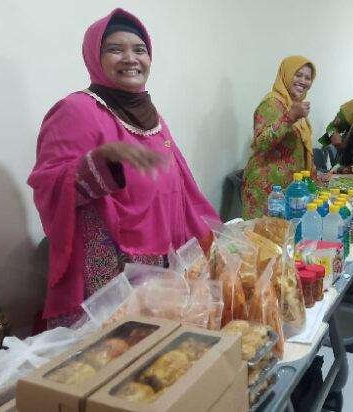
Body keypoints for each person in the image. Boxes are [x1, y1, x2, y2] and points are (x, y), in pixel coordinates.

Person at [28, 9, 218, 327]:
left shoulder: (151, 115)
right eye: (116, 49)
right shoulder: (76, 110)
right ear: (95, 57)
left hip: (160, 267)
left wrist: (208, 242)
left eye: (139, 49)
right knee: (115, 349)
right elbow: (48, 185)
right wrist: (100, 163)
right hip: (107, 277)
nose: (130, 58)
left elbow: (181, 186)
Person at [241, 56, 316, 219]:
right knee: (263, 235)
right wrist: (290, 117)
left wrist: (314, 175)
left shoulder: (293, 104)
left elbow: (300, 148)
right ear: (286, 75)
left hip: (288, 190)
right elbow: (260, 143)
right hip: (266, 192)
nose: (303, 81)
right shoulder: (272, 103)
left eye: (308, 78)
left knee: (284, 234)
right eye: (298, 75)